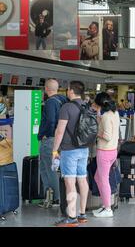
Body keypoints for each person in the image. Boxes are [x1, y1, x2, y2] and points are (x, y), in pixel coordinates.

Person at [52, 81, 90, 227]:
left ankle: (71, 217)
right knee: (82, 179)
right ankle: (82, 214)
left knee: (70, 182)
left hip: (69, 150)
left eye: (68, 90)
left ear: (71, 91)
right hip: (84, 149)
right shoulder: (87, 105)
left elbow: (60, 131)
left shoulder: (66, 107)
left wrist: (55, 150)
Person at [37, 79, 67, 208]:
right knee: (55, 168)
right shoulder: (64, 100)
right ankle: (55, 197)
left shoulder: (50, 102)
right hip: (61, 140)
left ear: (46, 89)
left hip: (50, 139)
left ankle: (54, 198)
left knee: (47, 168)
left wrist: (45, 134)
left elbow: (50, 121)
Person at [91, 92, 120, 218]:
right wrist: (99, 117)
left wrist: (95, 133)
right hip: (112, 151)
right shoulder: (114, 113)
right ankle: (105, 205)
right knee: (98, 178)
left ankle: (108, 209)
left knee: (103, 180)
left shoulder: (106, 116)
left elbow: (107, 136)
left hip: (105, 151)